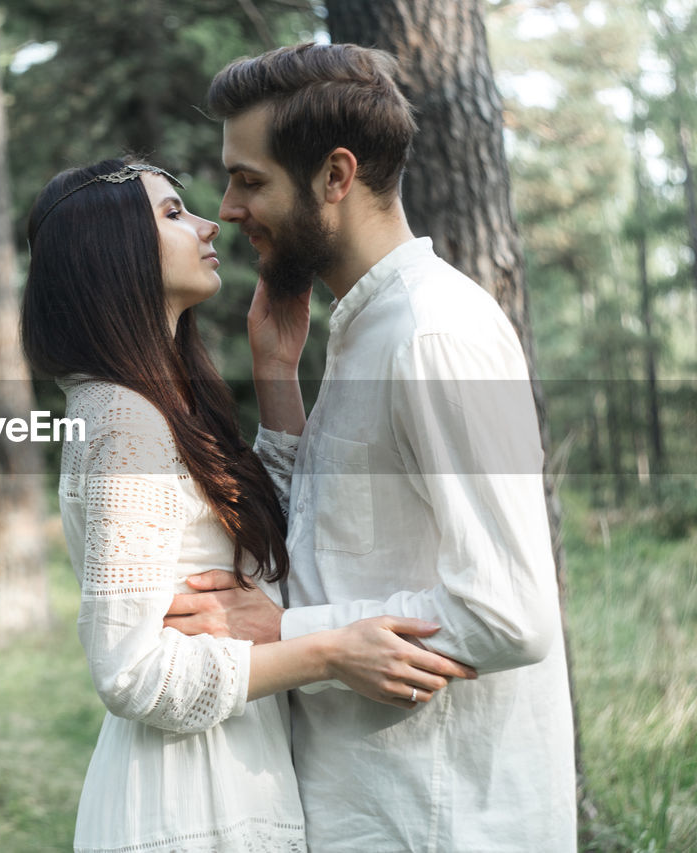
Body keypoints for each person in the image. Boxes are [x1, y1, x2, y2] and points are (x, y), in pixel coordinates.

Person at [164, 43, 578, 851]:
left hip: (442, 817)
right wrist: (279, 378)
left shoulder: (433, 335)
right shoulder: (366, 328)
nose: (229, 206)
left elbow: (507, 612)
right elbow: (338, 542)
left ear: (335, 176)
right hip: (374, 802)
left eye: (250, 180)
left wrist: (285, 632)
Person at [21, 158, 477, 853]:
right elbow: (131, 670)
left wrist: (275, 371)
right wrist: (329, 651)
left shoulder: (154, 402)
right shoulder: (121, 420)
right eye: (173, 214)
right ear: (110, 254)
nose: (208, 225)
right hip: (184, 800)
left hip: (228, 779)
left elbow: (260, 548)